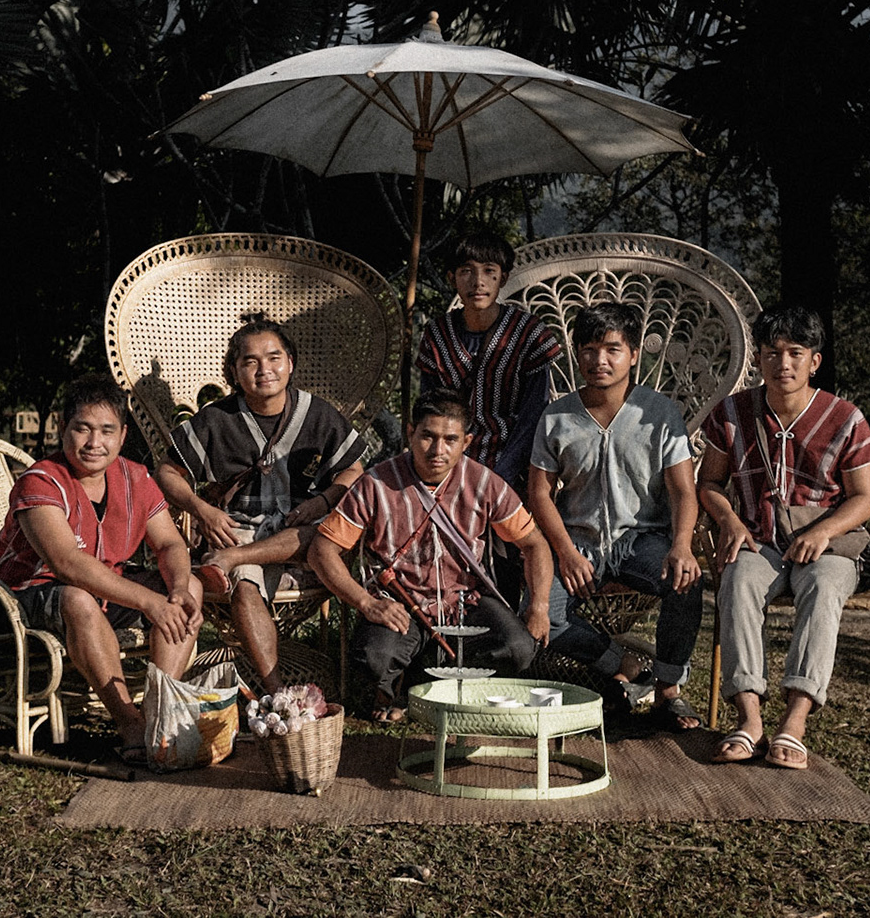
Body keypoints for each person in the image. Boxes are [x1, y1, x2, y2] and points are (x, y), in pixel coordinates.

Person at [697, 305, 870, 770]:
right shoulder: (733, 413)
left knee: (822, 588)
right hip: (760, 538)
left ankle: (795, 720)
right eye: (773, 353)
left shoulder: (844, 417)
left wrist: (822, 532)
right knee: (736, 581)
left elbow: (864, 499)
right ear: (758, 359)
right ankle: (749, 719)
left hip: (830, 542)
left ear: (814, 361)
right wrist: (730, 522)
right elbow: (709, 484)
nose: (784, 364)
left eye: (796, 353)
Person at [0, 375, 201, 765]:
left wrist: (178, 589)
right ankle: (129, 722)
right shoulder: (41, 481)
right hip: (23, 597)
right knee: (78, 597)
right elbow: (67, 563)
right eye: (82, 429)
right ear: (63, 429)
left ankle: (159, 708)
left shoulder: (135, 477)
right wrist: (151, 603)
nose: (93, 443)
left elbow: (170, 544)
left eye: (106, 431)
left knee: (191, 592)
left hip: (103, 588)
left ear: (122, 435)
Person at [308, 392, 553, 722]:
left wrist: (539, 607)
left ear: (466, 441)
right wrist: (367, 603)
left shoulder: (485, 483)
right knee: (374, 659)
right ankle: (406, 687)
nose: (438, 450)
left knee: (519, 648)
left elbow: (535, 545)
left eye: (450, 439)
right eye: (428, 436)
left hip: (465, 601)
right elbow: (322, 549)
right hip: (399, 602)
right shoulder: (376, 484)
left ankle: (423, 685)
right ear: (410, 433)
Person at [154, 317, 367, 693]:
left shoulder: (316, 413)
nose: (264, 369)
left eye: (274, 357)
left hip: (298, 532)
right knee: (244, 586)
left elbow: (354, 469)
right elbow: (168, 472)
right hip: (237, 528)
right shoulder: (218, 419)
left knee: (317, 536)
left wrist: (323, 500)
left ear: (290, 362)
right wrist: (201, 508)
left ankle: (233, 560)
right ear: (234, 372)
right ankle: (275, 691)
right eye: (250, 362)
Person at [526, 302, 705, 729]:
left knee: (686, 584)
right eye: (588, 350)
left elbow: (683, 489)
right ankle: (621, 664)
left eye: (611, 349)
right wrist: (566, 553)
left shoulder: (659, 414)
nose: (598, 361)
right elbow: (539, 492)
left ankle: (666, 690)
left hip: (641, 540)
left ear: (634, 353)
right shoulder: (558, 416)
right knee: (541, 612)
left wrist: (681, 545)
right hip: (578, 539)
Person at [415, 229, 564, 492]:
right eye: (466, 271)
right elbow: (430, 408)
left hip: (515, 458)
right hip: (450, 455)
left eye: (488, 271)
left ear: (503, 278)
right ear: (452, 278)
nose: (478, 282)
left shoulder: (528, 334)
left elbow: (534, 414)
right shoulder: (437, 335)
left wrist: (503, 472)